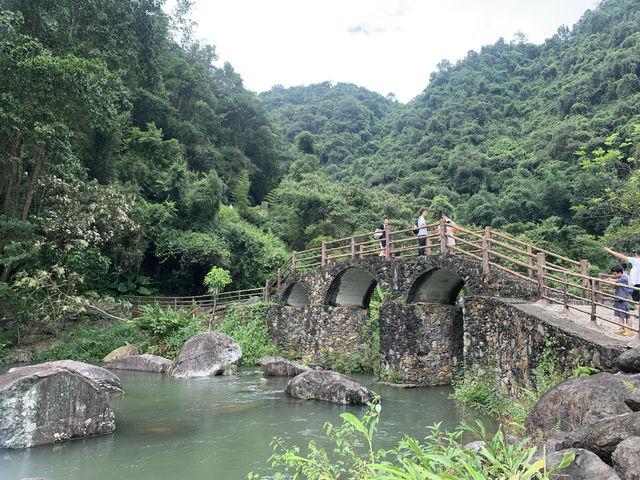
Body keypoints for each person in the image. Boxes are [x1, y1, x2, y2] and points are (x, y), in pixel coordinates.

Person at [610, 263, 633, 335]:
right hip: (618, 298)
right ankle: (622, 328)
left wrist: (609, 279)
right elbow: (614, 286)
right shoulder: (619, 278)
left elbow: (615, 281)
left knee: (627, 315)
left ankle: (630, 330)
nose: (615, 276)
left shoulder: (624, 278)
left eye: (615, 274)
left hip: (623, 298)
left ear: (620, 272)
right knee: (620, 314)